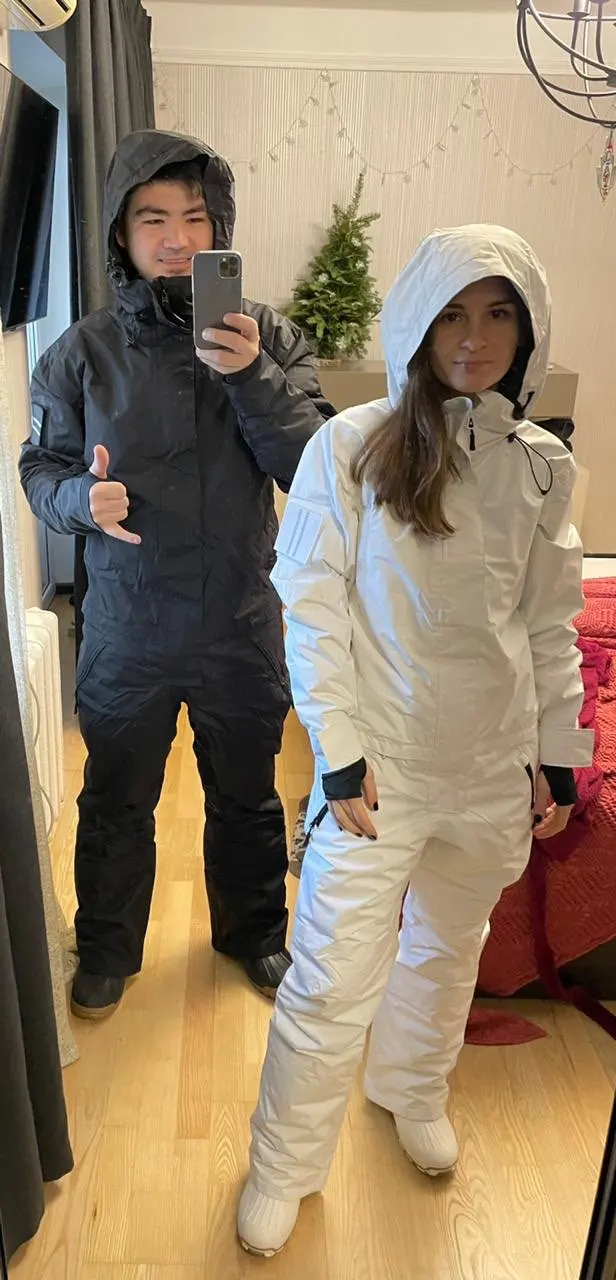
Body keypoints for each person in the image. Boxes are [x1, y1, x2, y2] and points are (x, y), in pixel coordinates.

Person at [236, 224, 594, 1256]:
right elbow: (311, 605)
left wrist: (556, 749)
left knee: (447, 947)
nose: (474, 338)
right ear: (418, 326)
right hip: (377, 771)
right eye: (452, 315)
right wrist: (338, 749)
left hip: (488, 766)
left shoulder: (542, 467)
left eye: (498, 314)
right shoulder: (350, 446)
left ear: (527, 329)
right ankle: (282, 1163)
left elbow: (546, 620)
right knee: (330, 973)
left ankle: (410, 1087)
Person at [19, 129, 334, 1020]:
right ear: (120, 233)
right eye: (153, 218)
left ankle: (255, 933)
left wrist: (252, 376)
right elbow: (38, 470)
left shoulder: (270, 337)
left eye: (196, 218)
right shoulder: (79, 353)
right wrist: (81, 500)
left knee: (246, 794)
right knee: (117, 797)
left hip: (240, 615)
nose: (177, 238)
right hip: (127, 624)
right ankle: (107, 948)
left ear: (219, 228)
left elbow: (315, 469)